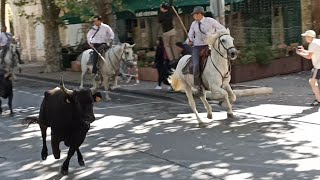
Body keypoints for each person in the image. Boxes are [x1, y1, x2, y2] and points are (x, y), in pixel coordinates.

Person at [188, 6, 226, 96]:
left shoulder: (210, 21)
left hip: (210, 46)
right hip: (197, 47)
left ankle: (226, 82)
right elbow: (190, 35)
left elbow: (222, 29)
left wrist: (216, 35)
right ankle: (198, 87)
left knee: (223, 59)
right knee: (196, 66)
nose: (193, 16)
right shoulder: (193, 24)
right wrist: (190, 40)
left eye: (194, 14)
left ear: (199, 14)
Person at [296, 30, 320, 106]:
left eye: (306, 36)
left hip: (318, 66)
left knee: (312, 82)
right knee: (314, 82)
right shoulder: (317, 41)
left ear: (310, 37)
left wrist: (300, 54)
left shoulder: (312, 44)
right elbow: (313, 52)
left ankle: (319, 100)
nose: (305, 38)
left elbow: (309, 56)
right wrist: (304, 51)